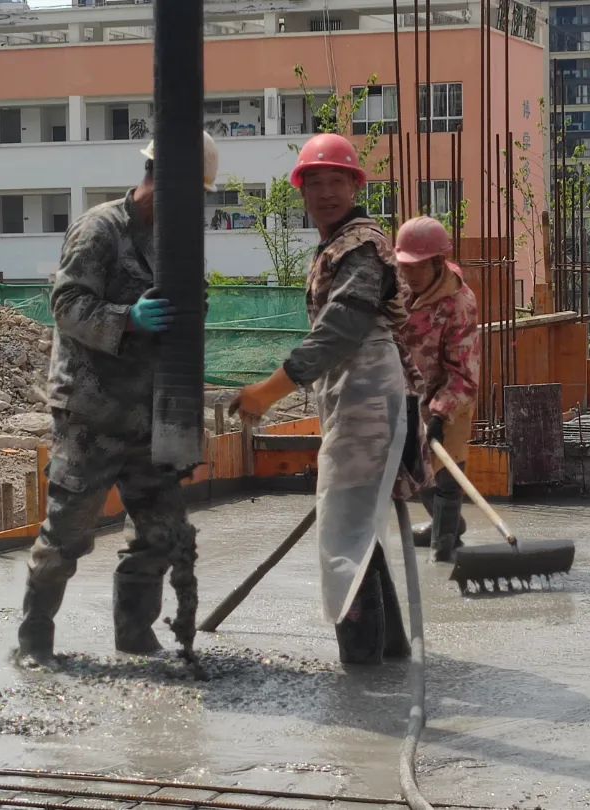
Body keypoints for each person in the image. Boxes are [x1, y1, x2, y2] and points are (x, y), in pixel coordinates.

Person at [16, 132, 220, 663]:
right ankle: (34, 637)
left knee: (159, 532)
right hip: (91, 411)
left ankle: (135, 633)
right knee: (68, 532)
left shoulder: (174, 241)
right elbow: (65, 304)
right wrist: (125, 318)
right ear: (156, 177)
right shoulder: (100, 228)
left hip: (149, 415)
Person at [228, 133, 419, 667]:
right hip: (357, 394)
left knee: (342, 535)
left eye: (338, 181)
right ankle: (389, 654)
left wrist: (270, 389)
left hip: (367, 394)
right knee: (358, 530)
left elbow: (342, 327)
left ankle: (362, 676)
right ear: (302, 191)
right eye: (316, 183)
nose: (327, 192)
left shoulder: (360, 243)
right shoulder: (338, 243)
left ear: (356, 185)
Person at [394, 216, 481, 562]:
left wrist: (440, 415)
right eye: (403, 267)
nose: (408, 275)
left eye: (416, 268)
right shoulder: (397, 292)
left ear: (436, 262)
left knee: (447, 465)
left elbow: (464, 372)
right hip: (409, 394)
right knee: (417, 468)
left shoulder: (459, 303)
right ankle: (447, 524)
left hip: (452, 394)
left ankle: (444, 543)